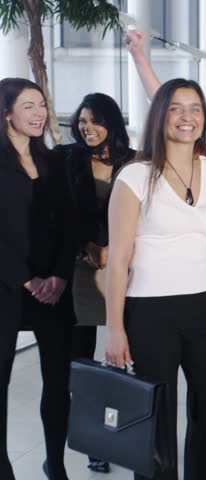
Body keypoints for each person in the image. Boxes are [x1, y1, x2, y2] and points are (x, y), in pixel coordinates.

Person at [104, 78, 206, 480]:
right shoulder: (134, 176)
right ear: (160, 115)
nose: (188, 117)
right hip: (149, 310)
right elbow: (118, 260)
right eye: (177, 108)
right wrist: (115, 329)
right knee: (155, 422)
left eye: (196, 108)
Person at [0, 78, 76, 480]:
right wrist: (26, 278)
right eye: (27, 106)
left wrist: (61, 277)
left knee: (58, 381)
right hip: (9, 286)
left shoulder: (54, 160)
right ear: (7, 112)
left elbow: (69, 223)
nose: (38, 113)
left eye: (41, 105)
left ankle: (56, 462)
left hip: (54, 288)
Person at [57, 92, 136, 475]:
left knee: (128, 361)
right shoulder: (69, 160)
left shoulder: (133, 161)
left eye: (96, 120)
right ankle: (95, 444)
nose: (88, 128)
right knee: (84, 365)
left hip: (128, 271)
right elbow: (57, 213)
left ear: (112, 123)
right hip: (82, 273)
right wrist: (86, 246)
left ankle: (130, 433)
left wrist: (113, 248)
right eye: (83, 121)